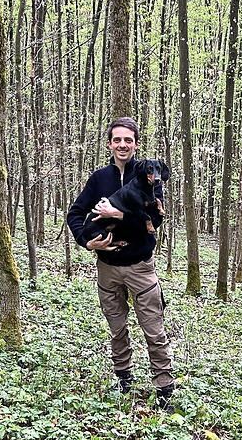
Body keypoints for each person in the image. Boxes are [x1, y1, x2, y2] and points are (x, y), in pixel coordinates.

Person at [66, 116, 174, 409]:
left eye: (128, 139)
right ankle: (123, 381)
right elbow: (75, 214)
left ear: (136, 143)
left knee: (154, 328)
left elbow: (154, 221)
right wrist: (86, 241)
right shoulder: (100, 179)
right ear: (110, 144)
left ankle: (164, 390)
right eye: (117, 140)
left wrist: (119, 216)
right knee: (117, 327)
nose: (122, 144)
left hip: (140, 267)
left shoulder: (150, 175)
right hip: (108, 268)